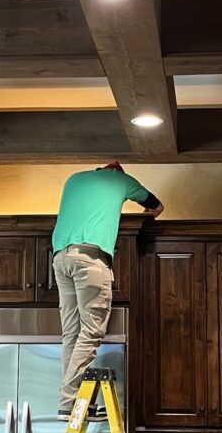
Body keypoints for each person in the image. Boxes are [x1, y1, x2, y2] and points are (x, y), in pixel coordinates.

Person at [51, 163, 163, 419]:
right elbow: (156, 206)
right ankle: (69, 402)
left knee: (72, 333)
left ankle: (77, 401)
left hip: (60, 258)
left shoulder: (74, 178)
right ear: (118, 173)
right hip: (91, 258)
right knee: (91, 332)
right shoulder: (121, 181)